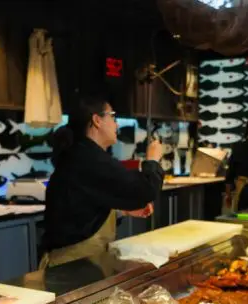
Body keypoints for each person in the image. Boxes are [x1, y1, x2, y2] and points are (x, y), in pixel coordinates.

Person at [42, 97, 163, 267]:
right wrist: (153, 160)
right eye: (113, 117)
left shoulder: (83, 154)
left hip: (85, 261)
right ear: (97, 120)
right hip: (73, 265)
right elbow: (146, 190)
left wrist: (123, 212)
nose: (117, 125)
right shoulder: (88, 158)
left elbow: (84, 208)